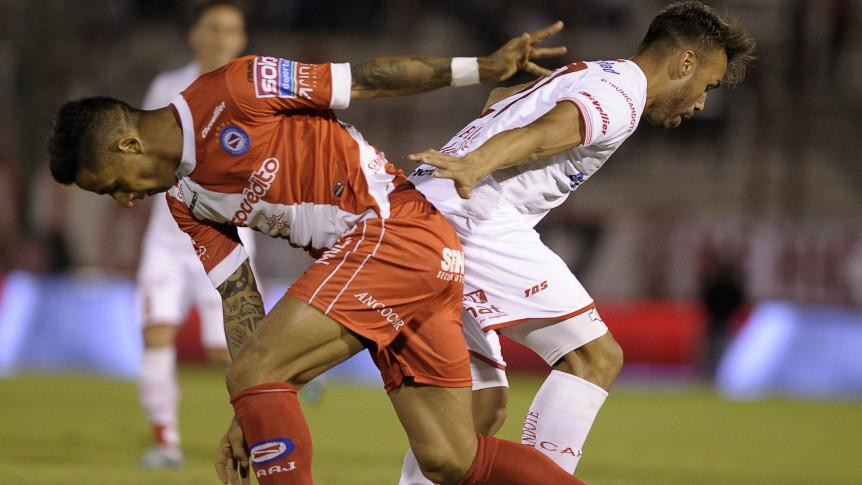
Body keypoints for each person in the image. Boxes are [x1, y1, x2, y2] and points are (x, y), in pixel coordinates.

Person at [48, 24, 593, 485]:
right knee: (450, 458)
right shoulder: (186, 200)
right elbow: (240, 299)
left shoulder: (236, 88)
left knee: (257, 370)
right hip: (408, 261)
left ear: (128, 145)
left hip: (394, 231)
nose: (123, 199)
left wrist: (481, 67)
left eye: (110, 185)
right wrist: (252, 408)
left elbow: (367, 79)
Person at [400, 1, 756, 481]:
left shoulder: (592, 72)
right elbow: (550, 131)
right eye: (707, 86)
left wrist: (480, 149)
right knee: (595, 357)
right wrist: (480, 161)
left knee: (479, 407)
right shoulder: (621, 95)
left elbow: (501, 99)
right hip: (471, 217)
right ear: (685, 62)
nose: (701, 103)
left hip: (423, 209)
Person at [135, 0, 254, 469]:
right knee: (156, 331)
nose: (221, 37)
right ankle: (165, 440)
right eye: (214, 27)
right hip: (167, 237)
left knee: (226, 349)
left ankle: (263, 424)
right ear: (195, 35)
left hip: (228, 236)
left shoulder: (254, 89)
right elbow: (141, 152)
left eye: (231, 29)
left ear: (241, 39)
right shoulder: (166, 87)